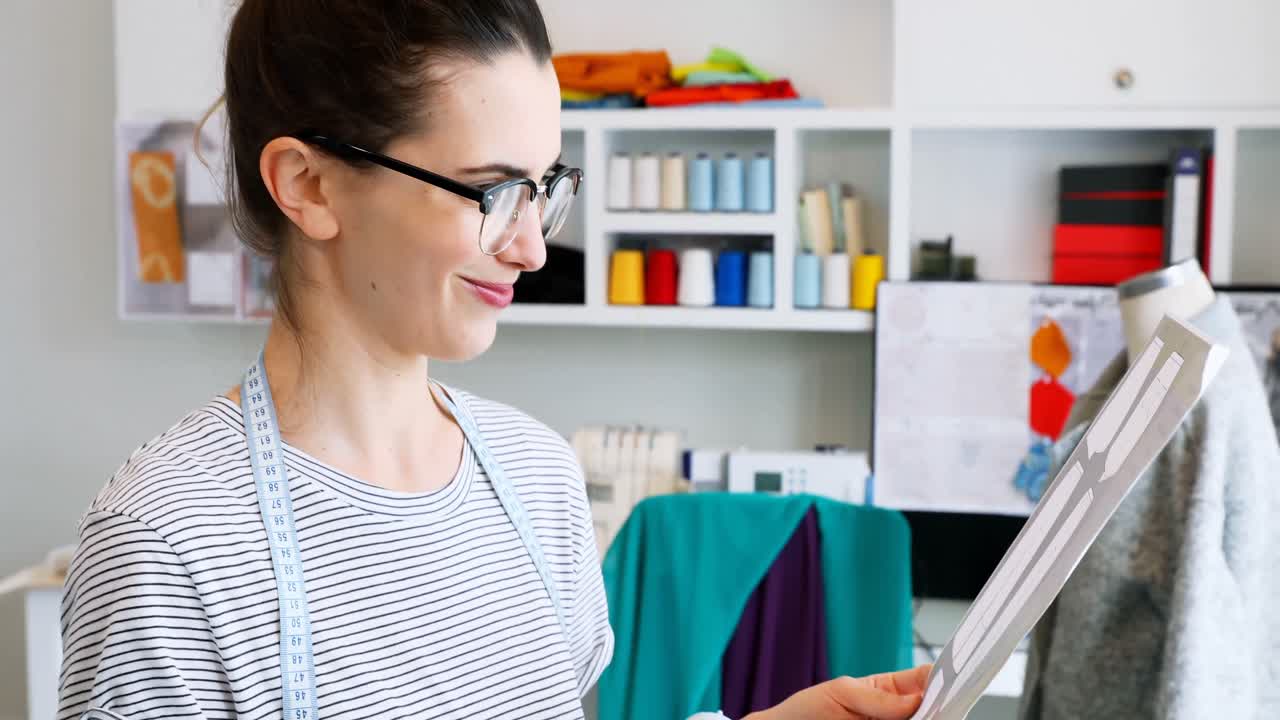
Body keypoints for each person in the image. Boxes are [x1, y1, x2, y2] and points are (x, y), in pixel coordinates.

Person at [57, 2, 930, 718]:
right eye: (493, 190)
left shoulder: (535, 476)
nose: (532, 249)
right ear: (309, 186)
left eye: (544, 190)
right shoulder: (169, 548)